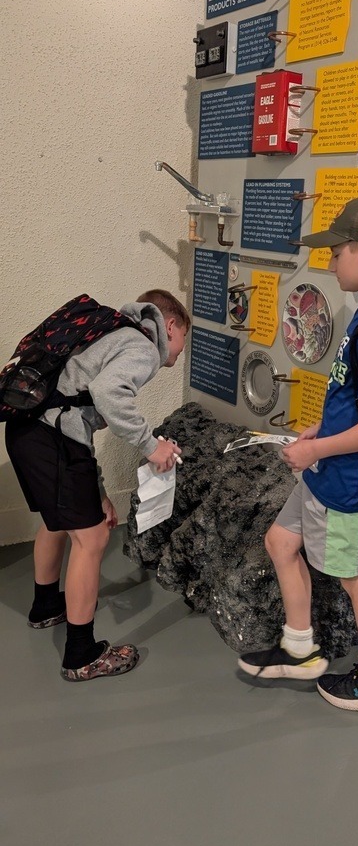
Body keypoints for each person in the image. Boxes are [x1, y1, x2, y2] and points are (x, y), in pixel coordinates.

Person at [237, 195, 358, 718]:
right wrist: (316, 430)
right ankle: (298, 646)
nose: (330, 263)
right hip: (324, 473)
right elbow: (351, 400)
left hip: (348, 486)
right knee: (280, 540)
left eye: (336, 253)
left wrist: (314, 447)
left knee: (357, 580)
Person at [5, 289, 190, 680]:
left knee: (58, 522)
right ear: (169, 325)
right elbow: (107, 397)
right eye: (182, 341)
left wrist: (100, 491)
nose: (178, 356)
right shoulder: (141, 346)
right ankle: (81, 656)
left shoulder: (109, 333)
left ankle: (45, 607)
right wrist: (151, 445)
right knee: (91, 541)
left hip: (28, 431)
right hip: (51, 438)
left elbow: (79, 416)